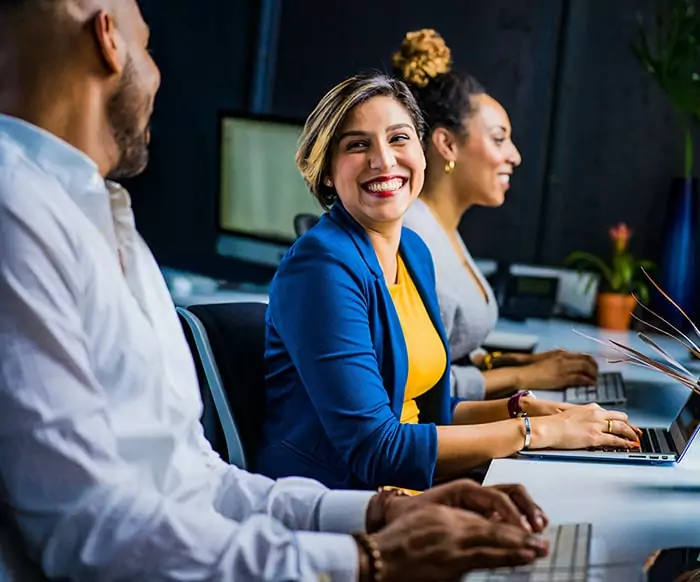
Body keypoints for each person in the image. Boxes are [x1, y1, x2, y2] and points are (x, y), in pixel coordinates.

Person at [0, 1, 552, 580]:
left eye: (397, 139)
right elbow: (90, 532)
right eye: (149, 46)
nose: (158, 74)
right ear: (109, 40)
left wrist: (377, 514)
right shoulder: (20, 214)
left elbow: (197, 481)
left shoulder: (104, 220)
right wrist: (369, 557)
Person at [259, 71, 642, 493]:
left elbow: (427, 415)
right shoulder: (321, 268)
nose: (384, 160)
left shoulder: (414, 252)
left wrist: (519, 409)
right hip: (339, 503)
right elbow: (376, 447)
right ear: (328, 172)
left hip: (409, 489)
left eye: (399, 138)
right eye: (357, 145)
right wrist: (538, 432)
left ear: (423, 153)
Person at [396, 29, 600, 401]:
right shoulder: (413, 238)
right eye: (498, 138)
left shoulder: (443, 229)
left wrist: (517, 363)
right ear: (446, 143)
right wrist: (526, 377)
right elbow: (418, 388)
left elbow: (450, 352)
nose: (515, 156)